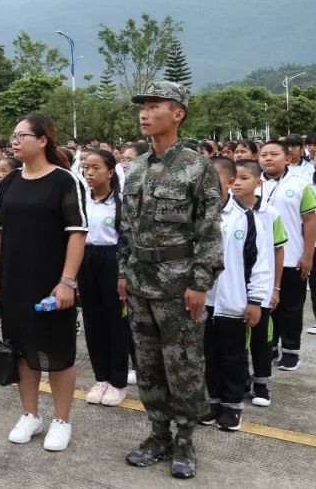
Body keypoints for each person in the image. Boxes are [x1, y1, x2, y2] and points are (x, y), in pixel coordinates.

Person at [118, 81, 224, 479]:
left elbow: (209, 231)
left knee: (183, 364)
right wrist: (123, 273)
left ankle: (184, 440)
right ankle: (158, 434)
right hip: (140, 282)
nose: (145, 113)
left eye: (154, 105)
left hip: (179, 285)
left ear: (177, 113)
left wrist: (200, 284)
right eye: (142, 106)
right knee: (147, 365)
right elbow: (125, 228)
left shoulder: (198, 167)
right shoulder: (137, 168)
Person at [0, 113, 87, 452]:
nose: (13, 141)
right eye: (12, 136)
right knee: (20, 350)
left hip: (51, 283)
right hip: (13, 281)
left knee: (58, 351)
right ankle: (30, 414)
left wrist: (67, 282)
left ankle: (62, 420)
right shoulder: (10, 181)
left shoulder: (64, 181)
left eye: (21, 136)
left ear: (43, 140)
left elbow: (77, 235)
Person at [199, 157, 272, 432]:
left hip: (233, 302)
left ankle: (232, 407)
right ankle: (212, 402)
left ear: (230, 183)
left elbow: (260, 263)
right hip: (202, 301)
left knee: (233, 356)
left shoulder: (246, 219)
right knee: (206, 355)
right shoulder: (195, 217)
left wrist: (255, 301)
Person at [257, 140, 316, 371]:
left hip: (292, 257)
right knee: (265, 306)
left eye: (274, 154)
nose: (268, 158)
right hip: (261, 259)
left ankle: (291, 350)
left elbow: (310, 221)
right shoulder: (252, 183)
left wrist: (308, 254)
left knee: (291, 307)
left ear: (287, 159)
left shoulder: (301, 184)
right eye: (263, 154)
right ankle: (269, 347)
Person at [78, 148, 131, 406]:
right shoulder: (80, 200)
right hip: (86, 260)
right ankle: (101, 377)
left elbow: (128, 241)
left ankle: (118, 381)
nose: (89, 172)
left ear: (111, 171)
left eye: (96, 168)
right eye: (86, 167)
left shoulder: (122, 202)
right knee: (92, 320)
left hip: (113, 261)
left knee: (116, 323)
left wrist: (124, 274)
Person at [233, 159, 285, 407]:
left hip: (261, 286)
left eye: (244, 178)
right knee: (236, 336)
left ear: (258, 182)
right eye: (235, 178)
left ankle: (261, 384)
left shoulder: (270, 213)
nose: (238, 183)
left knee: (261, 337)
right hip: (234, 286)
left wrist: (275, 287)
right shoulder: (226, 213)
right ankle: (241, 379)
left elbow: (277, 251)